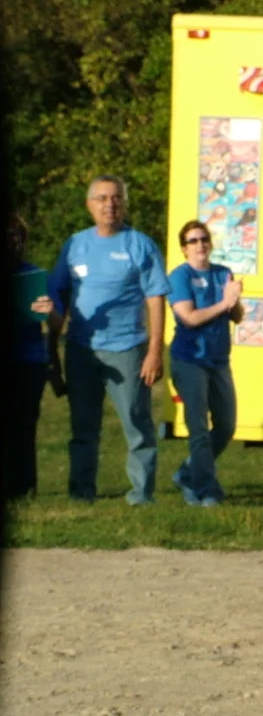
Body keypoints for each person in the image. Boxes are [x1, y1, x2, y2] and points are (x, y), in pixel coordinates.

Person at [46, 175, 170, 505]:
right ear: (89, 205)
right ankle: (81, 493)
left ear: (124, 204)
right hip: (81, 349)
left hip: (128, 348)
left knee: (137, 424)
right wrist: (52, 349)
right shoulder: (75, 244)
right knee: (83, 427)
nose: (109, 204)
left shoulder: (140, 245)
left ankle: (141, 495)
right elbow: (58, 294)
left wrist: (154, 351)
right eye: (101, 198)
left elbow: (156, 298)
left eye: (116, 198)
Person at [168, 219, 243, 507]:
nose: (200, 245)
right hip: (190, 359)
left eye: (204, 239)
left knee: (226, 425)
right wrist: (224, 303)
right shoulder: (179, 277)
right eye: (193, 241)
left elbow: (237, 316)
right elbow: (189, 317)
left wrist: (235, 300)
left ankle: (188, 473)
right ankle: (205, 490)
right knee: (198, 427)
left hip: (219, 360)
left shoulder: (223, 273)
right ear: (184, 248)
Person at [7, 215, 54, 498]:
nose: (12, 243)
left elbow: (55, 321)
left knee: (23, 426)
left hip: (28, 359)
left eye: (16, 237)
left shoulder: (34, 275)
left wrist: (49, 309)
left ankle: (24, 487)